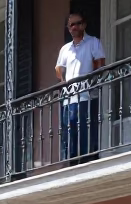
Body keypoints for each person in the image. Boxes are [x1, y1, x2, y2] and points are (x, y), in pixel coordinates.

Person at [56, 12, 105, 161]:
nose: (74, 27)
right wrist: (64, 81)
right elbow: (59, 68)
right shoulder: (65, 49)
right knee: (70, 131)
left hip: (87, 95)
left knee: (86, 131)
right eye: (71, 25)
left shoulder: (93, 42)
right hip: (69, 98)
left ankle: (87, 160)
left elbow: (100, 63)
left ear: (84, 25)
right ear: (68, 28)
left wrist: (92, 80)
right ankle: (72, 161)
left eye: (77, 23)